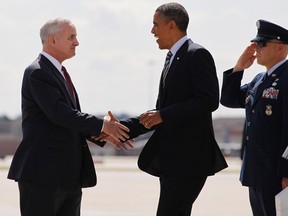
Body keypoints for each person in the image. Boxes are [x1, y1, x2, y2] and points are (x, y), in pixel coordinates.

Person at [107, 3, 227, 215]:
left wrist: (162, 115)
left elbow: (208, 101)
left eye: (155, 25)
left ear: (172, 25)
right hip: (175, 161)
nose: (152, 31)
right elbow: (160, 113)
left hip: (189, 160)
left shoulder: (196, 54)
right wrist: (118, 128)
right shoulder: (173, 58)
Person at [7, 18, 133, 216]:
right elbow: (61, 114)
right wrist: (103, 126)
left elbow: (68, 121)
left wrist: (102, 134)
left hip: (67, 177)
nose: (77, 42)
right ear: (52, 40)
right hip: (43, 176)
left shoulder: (58, 72)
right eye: (71, 37)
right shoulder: (37, 72)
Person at [220, 19, 288, 216]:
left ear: (280, 48)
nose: (256, 49)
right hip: (257, 171)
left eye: (262, 44)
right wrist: (239, 67)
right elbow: (229, 99)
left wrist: (286, 172)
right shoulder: (259, 80)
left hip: (277, 173)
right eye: (256, 44)